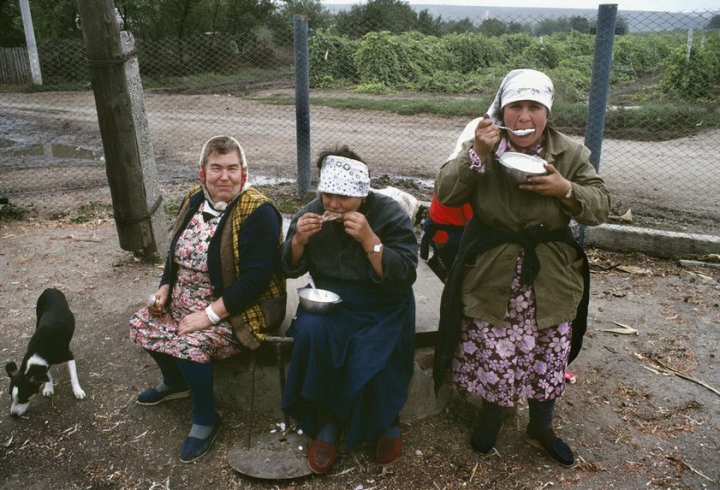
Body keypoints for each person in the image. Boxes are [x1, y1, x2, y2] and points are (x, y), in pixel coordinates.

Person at [433, 69, 611, 467]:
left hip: (550, 271)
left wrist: (565, 190)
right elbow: (446, 191)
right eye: (516, 107)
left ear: (548, 113)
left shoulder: (571, 154)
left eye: (535, 107)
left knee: (549, 352)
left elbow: (600, 205)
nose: (525, 117)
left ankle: (541, 427)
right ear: (503, 110)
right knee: (494, 350)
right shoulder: (483, 144)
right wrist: (477, 154)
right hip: (495, 269)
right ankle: (491, 417)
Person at [129, 135, 286, 463]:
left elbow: (255, 281)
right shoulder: (193, 199)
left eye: (233, 168)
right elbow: (175, 253)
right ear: (202, 172)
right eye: (216, 168)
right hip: (186, 298)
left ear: (244, 172)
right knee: (142, 322)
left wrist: (209, 316)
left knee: (190, 343)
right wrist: (164, 289)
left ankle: (205, 418)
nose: (224, 176)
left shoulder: (259, 211)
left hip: (239, 308)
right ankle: (174, 382)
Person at [280, 146, 418, 474]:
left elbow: (405, 275)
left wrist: (371, 241)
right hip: (331, 301)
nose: (334, 205)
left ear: (363, 193)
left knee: (373, 349)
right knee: (312, 333)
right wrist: (298, 241)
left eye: (344, 197)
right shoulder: (310, 213)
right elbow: (288, 268)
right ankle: (326, 420)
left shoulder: (388, 213)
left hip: (383, 301)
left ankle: (385, 418)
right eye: (327, 195)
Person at [420, 195, 473, 281]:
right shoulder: (464, 196)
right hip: (450, 240)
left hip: (434, 233)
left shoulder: (442, 187)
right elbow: (472, 219)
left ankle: (439, 265)